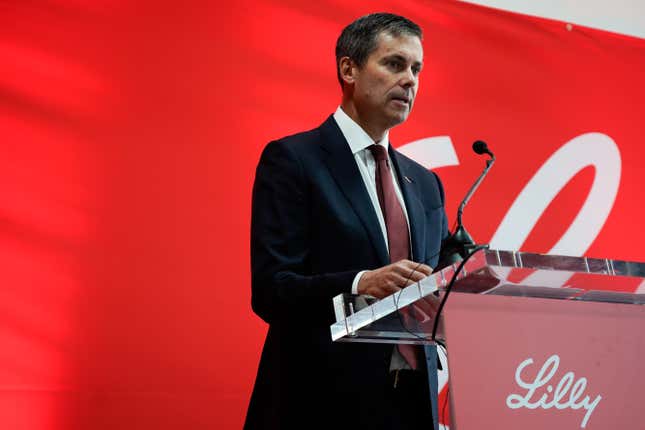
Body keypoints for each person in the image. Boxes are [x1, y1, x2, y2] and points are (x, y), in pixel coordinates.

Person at [245, 12, 449, 430]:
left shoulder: (426, 184)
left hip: (414, 403)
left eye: (416, 69)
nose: (410, 80)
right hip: (320, 402)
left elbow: (443, 283)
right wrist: (360, 284)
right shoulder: (294, 161)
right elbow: (272, 290)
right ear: (349, 68)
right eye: (394, 64)